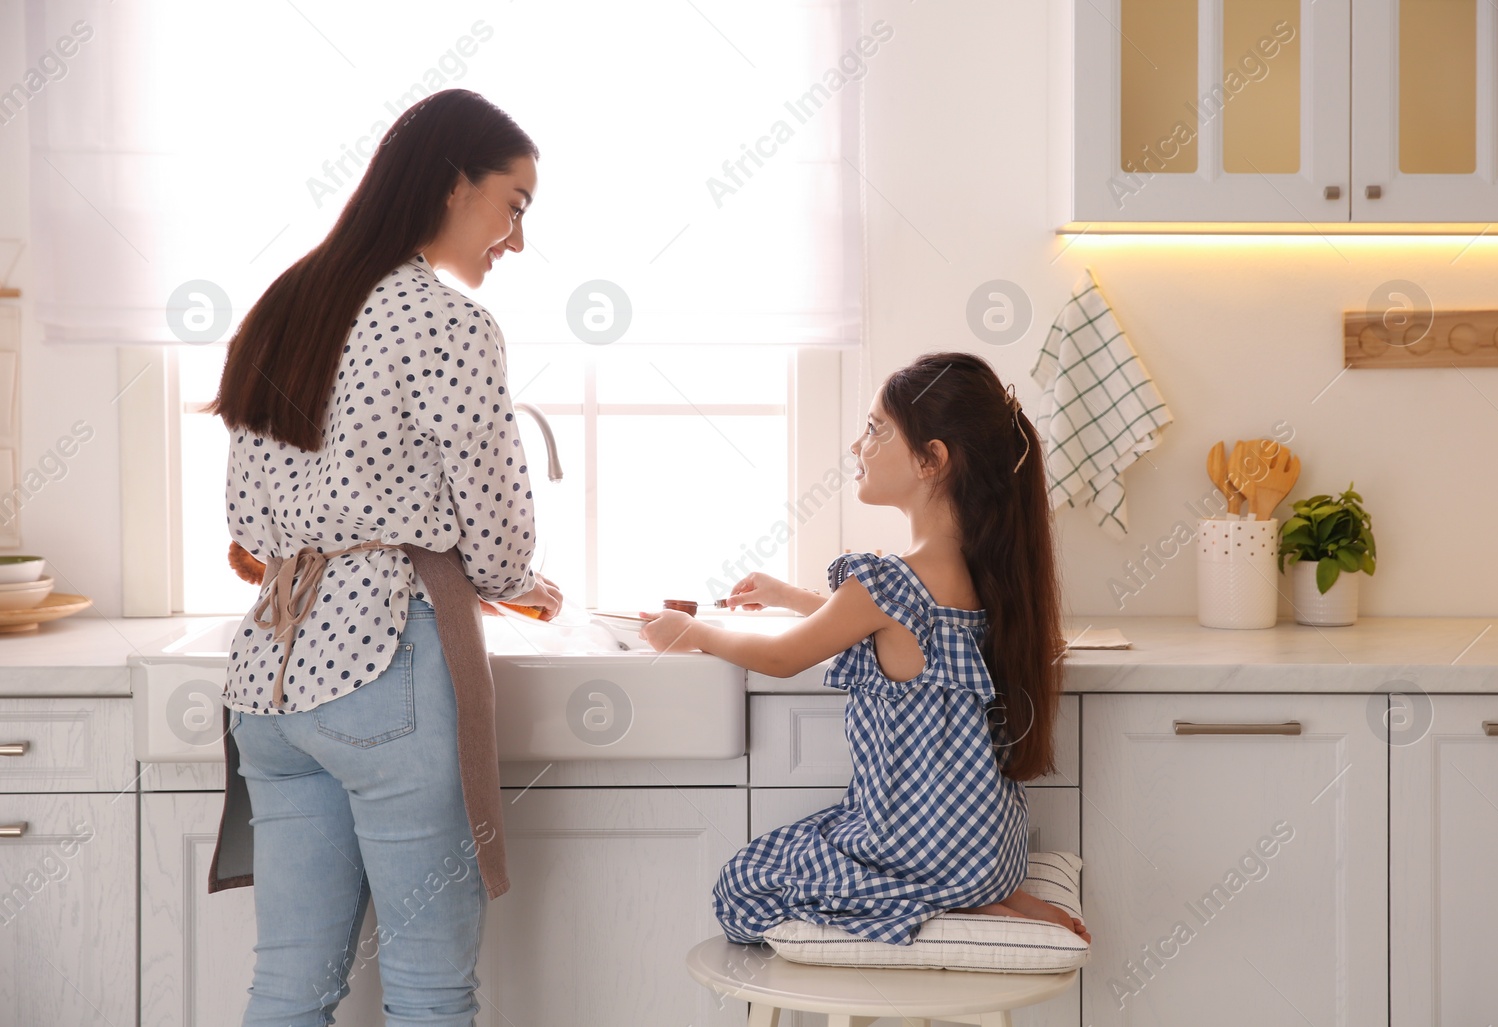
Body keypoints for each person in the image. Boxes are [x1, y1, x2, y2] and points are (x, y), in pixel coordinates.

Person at [205, 89, 561, 1026]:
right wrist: (518, 583)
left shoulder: (285, 303)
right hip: (384, 670)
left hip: (270, 688)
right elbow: (494, 532)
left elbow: (246, 517)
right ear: (453, 183)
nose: (517, 238)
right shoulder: (446, 323)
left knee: (287, 987)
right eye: (514, 204)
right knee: (431, 990)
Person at [639, 351, 1090, 947]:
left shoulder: (888, 582)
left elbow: (785, 659)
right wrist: (791, 596)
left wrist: (691, 633)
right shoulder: (988, 573)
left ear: (932, 460)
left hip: (915, 851)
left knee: (741, 887)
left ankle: (949, 909)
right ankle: (987, 895)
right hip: (989, 847)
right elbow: (886, 628)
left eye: (877, 429)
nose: (858, 446)